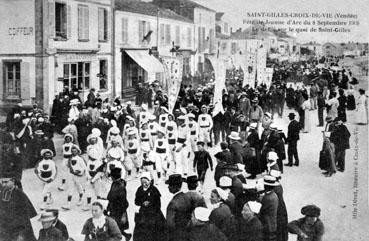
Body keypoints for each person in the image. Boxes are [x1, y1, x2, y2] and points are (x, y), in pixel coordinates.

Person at [0, 172, 37, 241]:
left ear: (13, 181)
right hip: (5, 228)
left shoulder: (20, 194)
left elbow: (25, 217)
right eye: (2, 182)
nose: (3, 184)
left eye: (6, 182)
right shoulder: (2, 193)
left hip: (19, 229)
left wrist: (21, 234)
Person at [133, 172, 166, 241]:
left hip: (154, 215)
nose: (144, 184)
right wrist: (142, 203)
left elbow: (158, 205)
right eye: (142, 183)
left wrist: (150, 204)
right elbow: (136, 201)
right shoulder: (139, 189)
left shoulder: (154, 190)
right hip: (143, 214)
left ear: (150, 181)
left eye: (146, 182)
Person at [106, 167, 131, 241]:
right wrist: (108, 208)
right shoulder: (115, 183)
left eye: (111, 176)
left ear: (113, 177)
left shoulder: (120, 186)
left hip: (119, 210)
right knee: (115, 226)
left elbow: (123, 201)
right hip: (113, 208)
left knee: (115, 227)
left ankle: (124, 236)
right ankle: (127, 236)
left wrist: (123, 214)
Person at [165, 174, 192, 241]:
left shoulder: (172, 203)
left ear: (175, 187)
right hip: (187, 234)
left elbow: (170, 224)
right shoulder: (187, 197)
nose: (168, 187)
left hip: (176, 236)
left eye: (170, 185)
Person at [259, 175, 279, 241]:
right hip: (272, 223)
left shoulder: (267, 198)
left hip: (267, 224)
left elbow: (261, 210)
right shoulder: (274, 195)